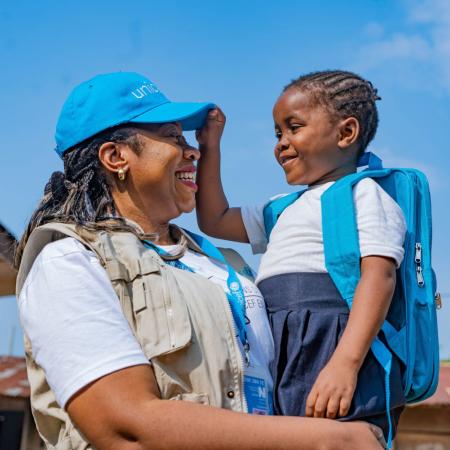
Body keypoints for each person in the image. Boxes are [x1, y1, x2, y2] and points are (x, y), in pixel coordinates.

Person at [14, 71, 383, 450]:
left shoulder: (225, 265)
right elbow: (126, 429)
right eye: (174, 137)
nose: (193, 150)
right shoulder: (69, 261)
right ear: (115, 156)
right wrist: (332, 439)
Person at [196, 70, 406, 439]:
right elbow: (213, 219)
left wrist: (345, 363)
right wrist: (211, 148)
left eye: (294, 127)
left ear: (346, 133)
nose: (281, 143)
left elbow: (379, 278)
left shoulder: (365, 194)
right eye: (278, 133)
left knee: (337, 438)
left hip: (331, 345)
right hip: (281, 348)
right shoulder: (281, 208)